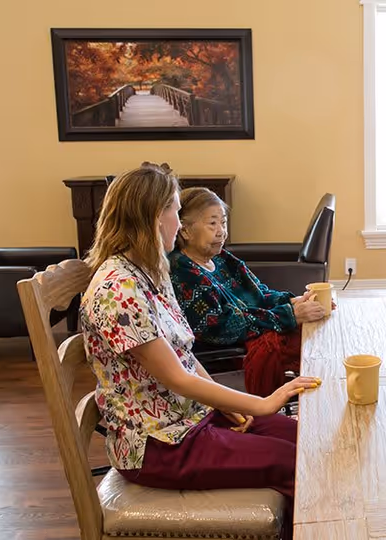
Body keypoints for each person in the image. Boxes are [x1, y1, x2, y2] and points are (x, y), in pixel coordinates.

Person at [80, 162, 318, 533]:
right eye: (175, 211)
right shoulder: (119, 288)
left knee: (306, 437)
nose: (179, 221)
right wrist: (261, 402)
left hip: (189, 419)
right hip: (159, 444)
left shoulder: (149, 271)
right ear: (154, 217)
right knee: (294, 461)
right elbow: (177, 377)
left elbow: (185, 357)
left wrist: (225, 403)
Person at [168, 187, 327, 397]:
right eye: (212, 223)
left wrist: (292, 301)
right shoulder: (182, 271)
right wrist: (289, 315)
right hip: (228, 352)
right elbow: (221, 327)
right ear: (185, 230)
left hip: (255, 331)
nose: (221, 231)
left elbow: (259, 293)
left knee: (320, 331)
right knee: (314, 349)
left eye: (223, 223)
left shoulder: (221, 258)